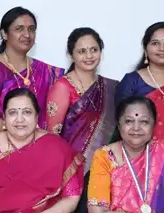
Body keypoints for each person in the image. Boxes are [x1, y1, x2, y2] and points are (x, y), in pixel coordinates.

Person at [0, 7, 63, 132]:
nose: (27, 35)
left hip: (40, 139)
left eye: (31, 29)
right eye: (19, 29)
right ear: (4, 34)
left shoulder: (45, 70)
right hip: (4, 140)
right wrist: (24, 130)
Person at [46, 27, 118, 168]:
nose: (89, 56)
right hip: (70, 167)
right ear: (71, 55)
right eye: (82, 51)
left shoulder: (110, 87)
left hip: (104, 166)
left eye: (94, 50)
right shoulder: (63, 87)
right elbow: (52, 136)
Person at [115, 22, 164, 142]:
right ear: (145, 48)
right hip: (136, 151)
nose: (162, 48)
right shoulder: (132, 81)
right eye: (155, 43)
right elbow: (121, 122)